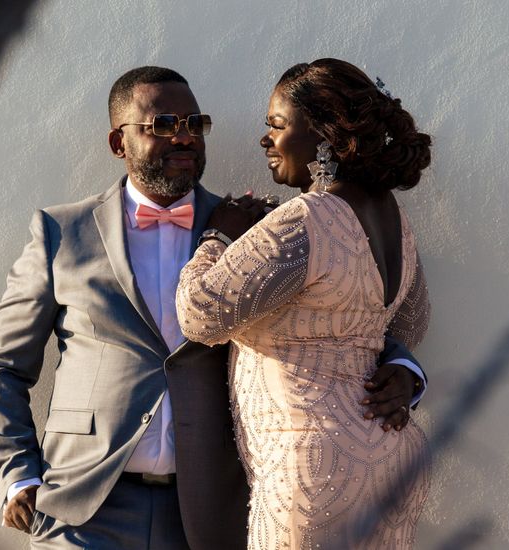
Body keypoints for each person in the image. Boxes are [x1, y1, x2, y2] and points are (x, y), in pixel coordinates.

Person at [0, 65, 427, 549]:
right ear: (118, 142)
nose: (185, 138)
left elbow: (341, 314)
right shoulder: (61, 233)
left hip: (206, 514)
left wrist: (401, 367)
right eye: (164, 126)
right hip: (85, 506)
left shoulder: (254, 225)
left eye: (195, 124)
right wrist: (17, 475)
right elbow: (2, 364)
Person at [176, 58, 433, 549]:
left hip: (318, 467)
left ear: (323, 134)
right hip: (393, 456)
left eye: (275, 125)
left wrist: (218, 235)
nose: (264, 140)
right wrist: (402, 371)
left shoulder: (305, 220)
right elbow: (412, 321)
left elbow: (199, 314)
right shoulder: (396, 222)